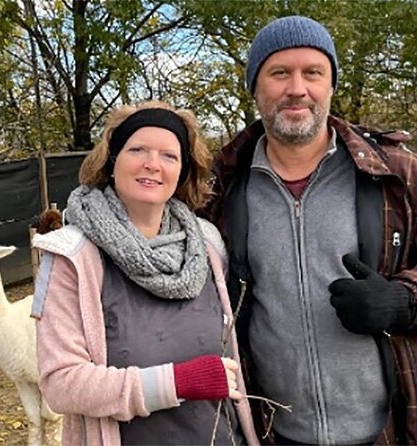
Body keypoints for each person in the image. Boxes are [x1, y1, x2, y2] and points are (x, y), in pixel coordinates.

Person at [203, 15, 417, 446]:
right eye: (279, 73)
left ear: (330, 85)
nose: (297, 88)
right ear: (255, 87)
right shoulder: (219, 188)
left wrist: (407, 299)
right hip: (275, 432)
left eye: (313, 72)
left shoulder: (401, 176)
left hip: (396, 428)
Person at [31, 100, 259, 445]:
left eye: (169, 156)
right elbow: (61, 384)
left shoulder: (208, 246)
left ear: (183, 171)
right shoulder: (72, 257)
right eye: (138, 149)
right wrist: (175, 383)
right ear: (112, 160)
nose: (153, 165)